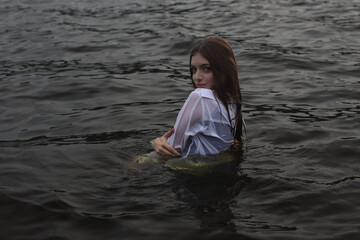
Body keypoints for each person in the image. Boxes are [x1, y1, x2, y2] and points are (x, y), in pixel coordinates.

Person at [152, 36, 245, 158]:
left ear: (223, 70)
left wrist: (157, 142)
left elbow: (171, 148)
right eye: (193, 70)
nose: (197, 77)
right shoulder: (232, 103)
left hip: (186, 172)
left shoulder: (200, 96)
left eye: (206, 69)